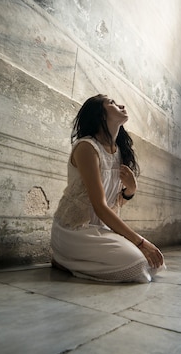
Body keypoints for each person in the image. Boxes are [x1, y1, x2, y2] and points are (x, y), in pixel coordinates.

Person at [51, 94, 165, 282]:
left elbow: (112, 205)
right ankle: (65, 260)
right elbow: (99, 207)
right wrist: (141, 242)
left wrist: (130, 191)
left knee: (154, 265)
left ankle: (74, 261)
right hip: (73, 231)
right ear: (100, 115)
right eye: (111, 103)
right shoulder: (87, 148)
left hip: (100, 230)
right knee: (138, 267)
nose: (121, 104)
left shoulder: (119, 153)